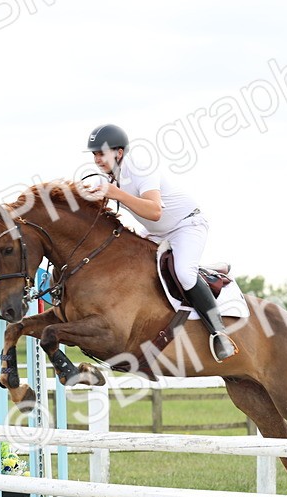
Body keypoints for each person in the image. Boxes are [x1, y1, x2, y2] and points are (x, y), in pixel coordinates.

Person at [81, 123, 237, 362]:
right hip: (156, 232)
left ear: (119, 152)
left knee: (184, 274)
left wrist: (114, 193)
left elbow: (154, 210)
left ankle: (220, 333)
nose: (97, 159)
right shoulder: (110, 176)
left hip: (187, 225)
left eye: (101, 153)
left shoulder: (140, 166)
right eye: (94, 154)